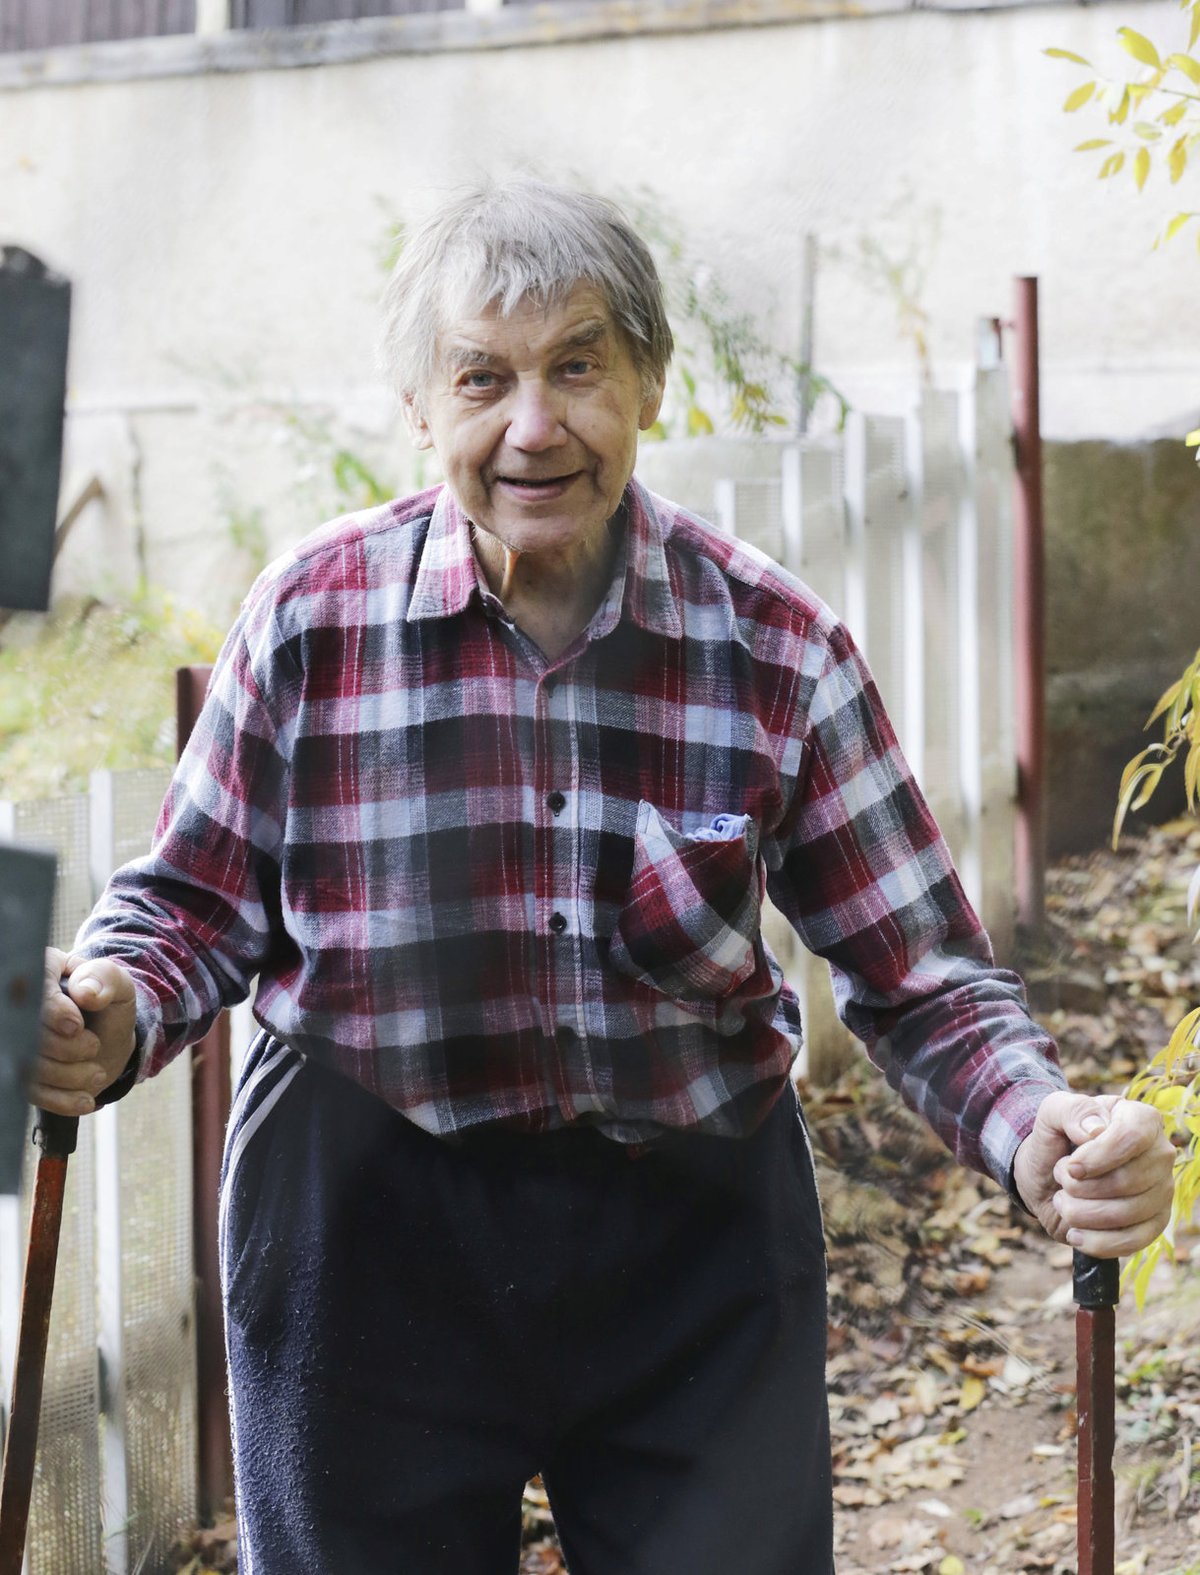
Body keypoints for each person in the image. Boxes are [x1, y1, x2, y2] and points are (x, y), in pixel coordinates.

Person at [33, 178, 1173, 1575]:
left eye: (578, 365)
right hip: (365, 1222)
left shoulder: (773, 643)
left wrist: (1036, 1123)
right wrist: (107, 1008)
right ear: (419, 410)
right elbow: (192, 909)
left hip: (685, 1236)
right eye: (483, 378)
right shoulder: (312, 623)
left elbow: (918, 975)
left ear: (647, 382)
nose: (534, 424)